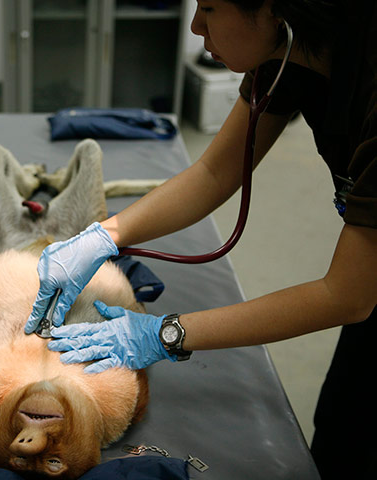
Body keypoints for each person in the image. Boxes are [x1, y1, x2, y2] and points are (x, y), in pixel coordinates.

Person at [25, 1, 376, 478]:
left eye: (209, 7)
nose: (196, 26)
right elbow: (214, 172)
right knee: (338, 425)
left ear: (276, 8)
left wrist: (166, 333)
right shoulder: (290, 54)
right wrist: (106, 235)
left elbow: (347, 294)